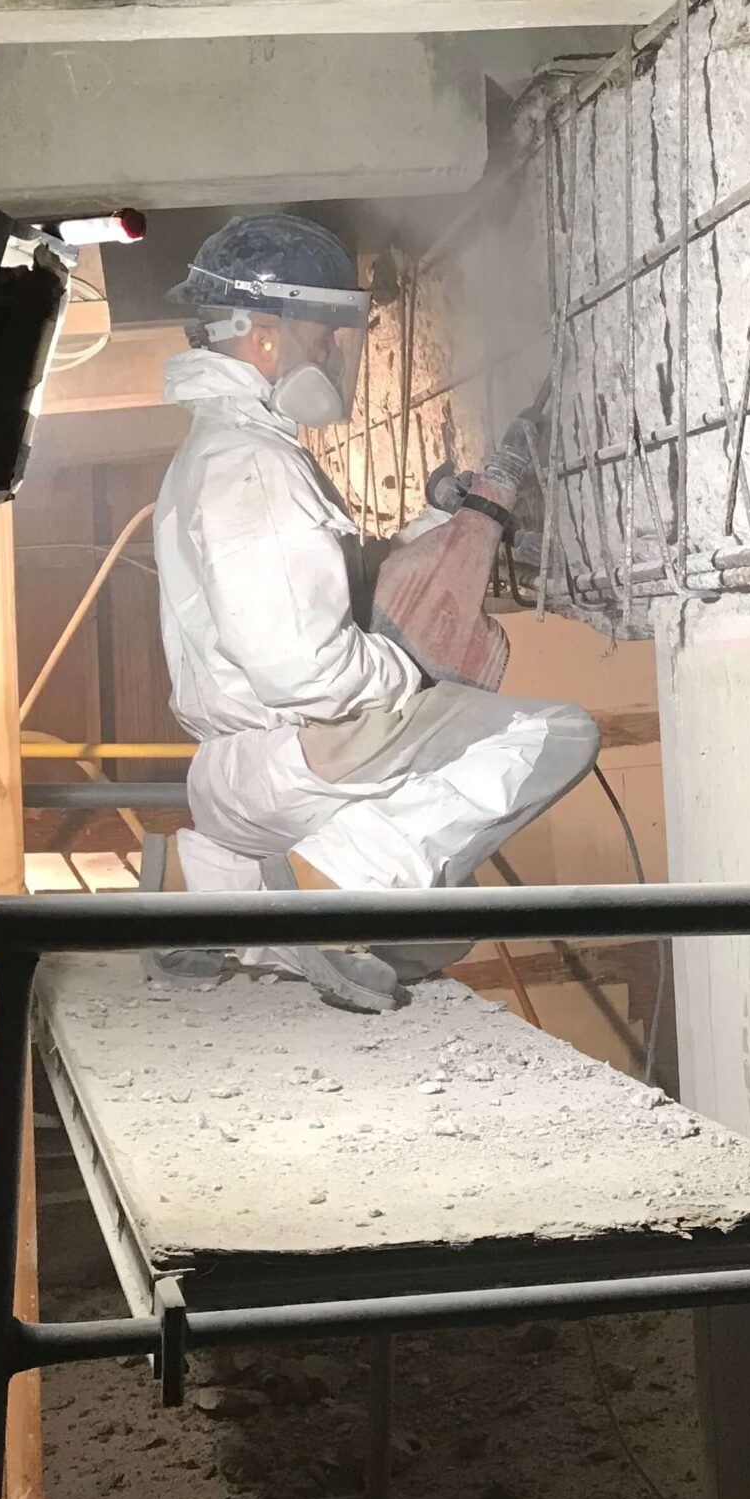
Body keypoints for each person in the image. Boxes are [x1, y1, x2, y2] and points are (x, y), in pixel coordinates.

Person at [150, 211, 599, 1010]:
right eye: (322, 332)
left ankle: (214, 904)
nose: (329, 352)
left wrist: (434, 528)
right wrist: (406, 670)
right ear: (264, 335)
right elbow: (301, 669)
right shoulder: (254, 466)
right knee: (555, 734)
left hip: (236, 785)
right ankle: (329, 898)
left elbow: (309, 589)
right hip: (297, 754)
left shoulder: (219, 452)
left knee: (435, 920)